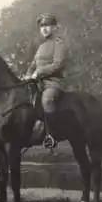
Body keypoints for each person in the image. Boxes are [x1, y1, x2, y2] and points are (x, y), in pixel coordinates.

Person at [26, 13, 67, 149]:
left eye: (48, 25)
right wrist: (27, 74)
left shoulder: (59, 44)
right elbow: (33, 64)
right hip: (37, 83)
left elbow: (58, 64)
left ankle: (52, 135)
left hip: (52, 83)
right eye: (42, 26)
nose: (44, 29)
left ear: (55, 28)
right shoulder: (42, 46)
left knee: (47, 100)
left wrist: (40, 72)